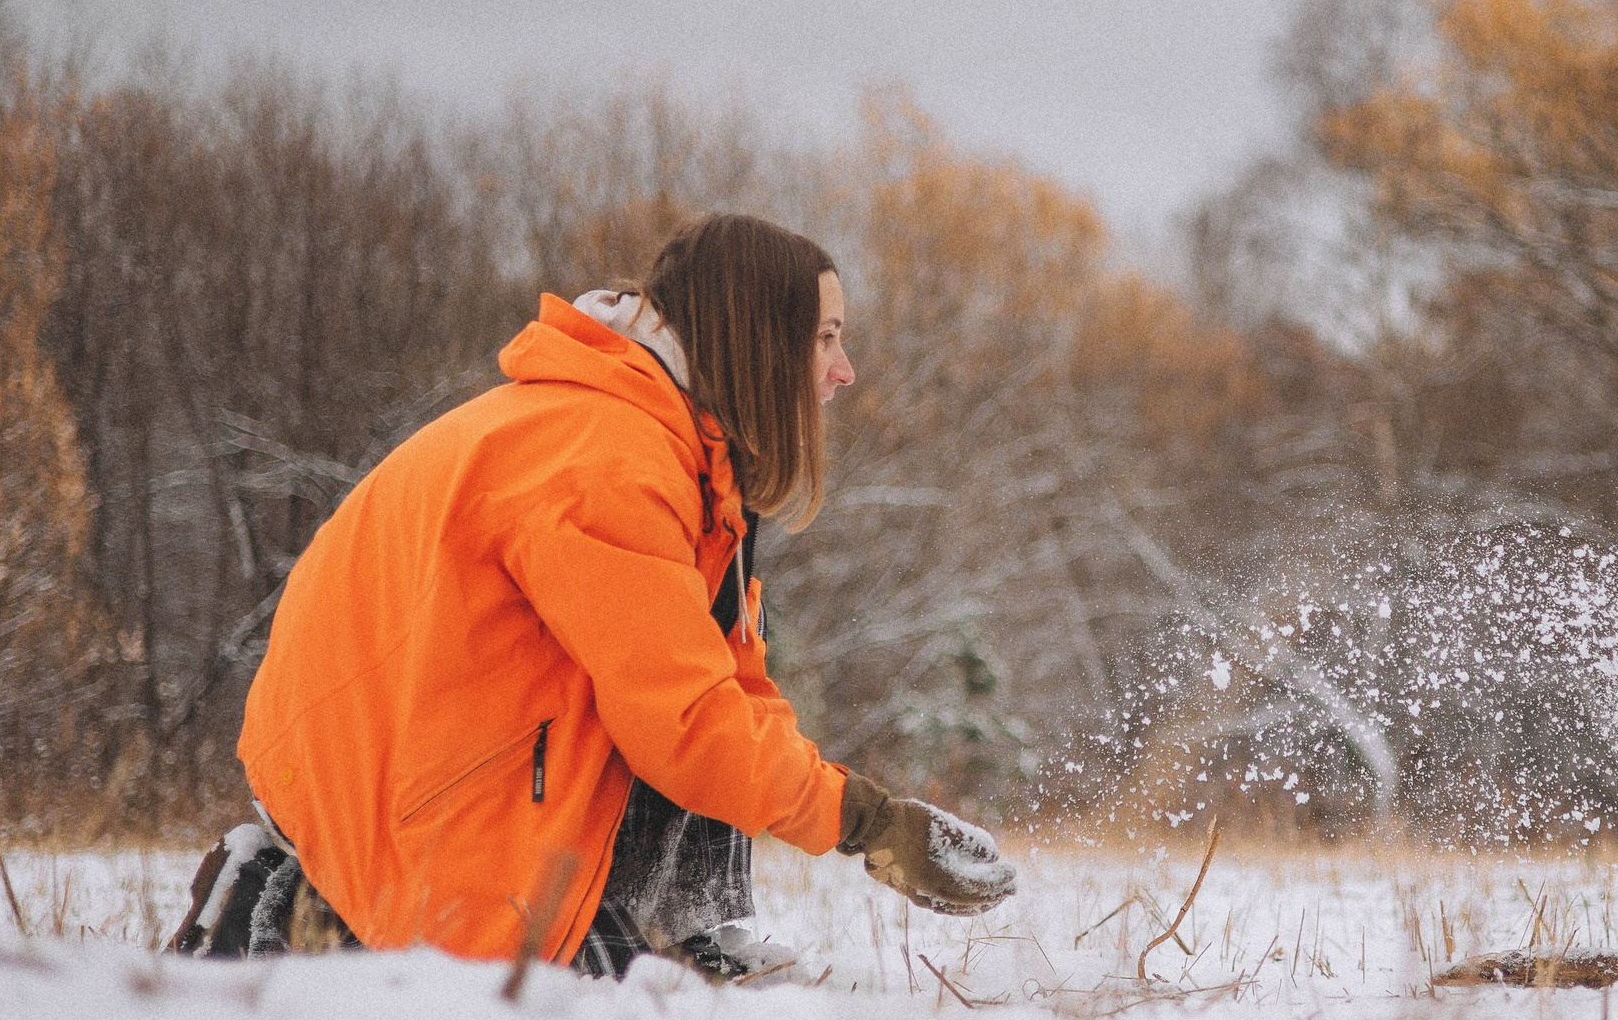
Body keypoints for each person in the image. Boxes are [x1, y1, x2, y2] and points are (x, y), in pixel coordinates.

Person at [170, 213, 1016, 978]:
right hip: (412, 804)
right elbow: (686, 725)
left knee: (648, 954)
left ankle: (687, 923)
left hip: (436, 770)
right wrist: (867, 823)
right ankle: (281, 904)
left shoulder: (666, 447)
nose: (844, 370)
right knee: (598, 1004)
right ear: (759, 337)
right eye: (824, 337)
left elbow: (727, 691)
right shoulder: (608, 464)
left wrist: (860, 807)